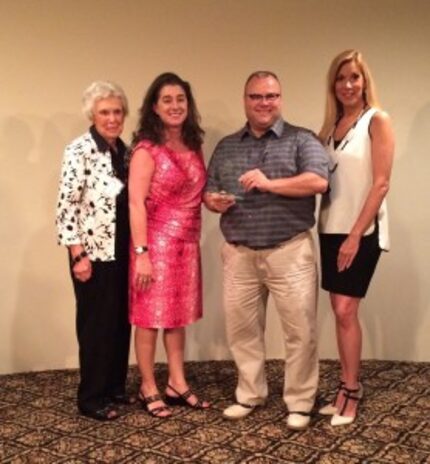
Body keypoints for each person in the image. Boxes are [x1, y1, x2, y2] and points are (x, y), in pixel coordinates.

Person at [204, 71, 329, 430]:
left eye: (271, 96)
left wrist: (269, 183)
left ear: (280, 98)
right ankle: (249, 393)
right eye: (256, 96)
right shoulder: (227, 146)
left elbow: (318, 181)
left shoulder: (301, 139)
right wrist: (213, 201)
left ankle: (301, 401)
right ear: (245, 100)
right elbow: (210, 191)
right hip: (239, 252)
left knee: (300, 331)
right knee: (242, 331)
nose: (264, 103)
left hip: (289, 251)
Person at [318, 50, 395, 426]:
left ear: (365, 81)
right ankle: (347, 386)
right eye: (341, 78)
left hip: (360, 232)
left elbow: (380, 184)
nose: (348, 85)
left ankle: (351, 388)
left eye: (354, 77)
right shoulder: (329, 128)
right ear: (332, 84)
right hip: (330, 229)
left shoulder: (376, 121)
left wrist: (354, 236)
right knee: (340, 312)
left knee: (346, 310)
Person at [128, 72, 209, 418]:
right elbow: (135, 204)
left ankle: (177, 382)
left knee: (178, 318)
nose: (175, 106)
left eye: (180, 100)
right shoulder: (147, 150)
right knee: (147, 319)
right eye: (167, 100)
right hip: (155, 246)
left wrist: (215, 201)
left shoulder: (193, 145)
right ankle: (148, 385)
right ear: (155, 108)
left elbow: (196, 193)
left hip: (187, 245)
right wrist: (142, 255)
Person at [56, 81, 133, 421]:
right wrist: (77, 255)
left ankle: (115, 387)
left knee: (119, 323)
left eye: (117, 111)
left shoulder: (124, 151)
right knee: (95, 326)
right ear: (92, 114)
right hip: (92, 254)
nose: (112, 118)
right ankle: (91, 396)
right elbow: (65, 206)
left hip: (122, 251)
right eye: (105, 112)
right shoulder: (79, 150)